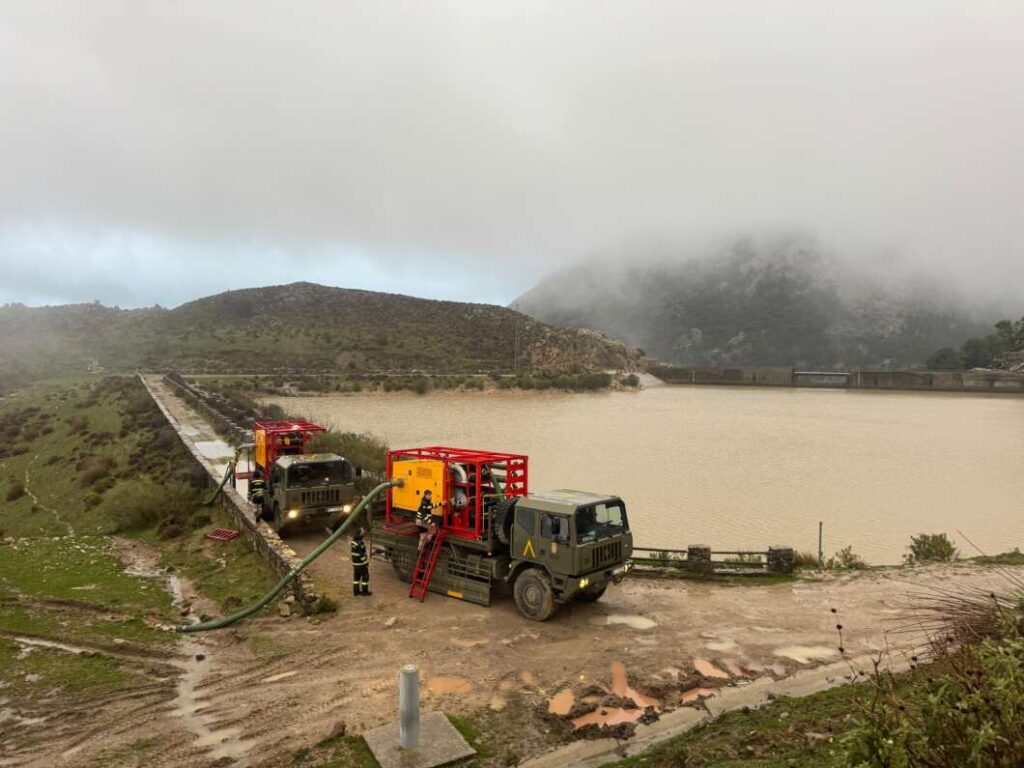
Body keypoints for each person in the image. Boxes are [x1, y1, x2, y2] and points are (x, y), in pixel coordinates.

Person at [350, 527, 371, 596]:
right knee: (365, 577)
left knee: (356, 578)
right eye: (362, 531)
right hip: (361, 563)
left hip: (355, 563)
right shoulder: (360, 543)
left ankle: (356, 592)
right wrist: (366, 563)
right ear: (360, 533)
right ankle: (364, 592)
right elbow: (361, 555)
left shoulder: (353, 541)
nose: (364, 532)